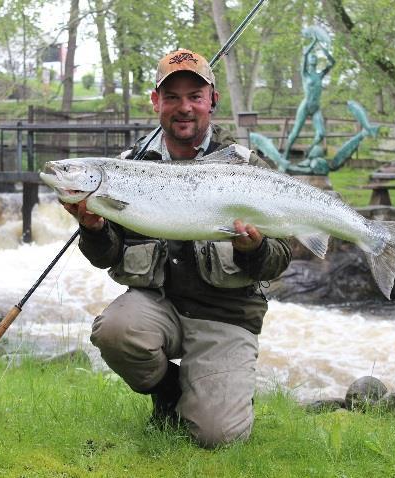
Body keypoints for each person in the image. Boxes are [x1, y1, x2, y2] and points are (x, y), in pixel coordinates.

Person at [60, 48, 292, 448]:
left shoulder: (247, 168)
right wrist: (94, 228)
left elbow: (281, 258)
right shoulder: (130, 167)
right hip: (159, 304)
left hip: (226, 315)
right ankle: (169, 392)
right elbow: (107, 258)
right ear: (156, 102)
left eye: (194, 96)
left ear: (212, 102)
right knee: (115, 332)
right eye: (172, 97)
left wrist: (252, 249)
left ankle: (215, 388)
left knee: (217, 437)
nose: (183, 108)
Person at [281, 38, 335, 162]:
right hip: (305, 106)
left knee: (321, 134)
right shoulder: (305, 74)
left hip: (316, 108)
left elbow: (332, 63)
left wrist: (324, 49)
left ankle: (309, 151)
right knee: (295, 132)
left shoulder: (320, 75)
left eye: (315, 57)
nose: (313, 58)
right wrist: (313, 43)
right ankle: (285, 155)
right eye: (312, 57)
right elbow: (305, 54)